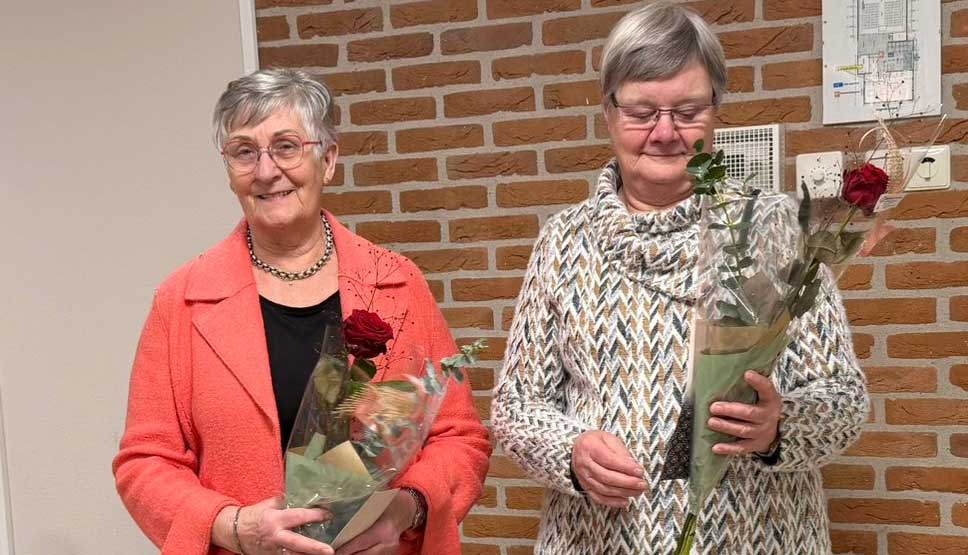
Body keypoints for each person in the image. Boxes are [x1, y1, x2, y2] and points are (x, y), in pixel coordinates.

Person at [491, 3, 869, 554]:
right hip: (599, 540)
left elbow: (845, 397)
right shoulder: (564, 241)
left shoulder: (774, 230)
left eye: (687, 111)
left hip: (755, 537)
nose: (665, 133)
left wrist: (779, 427)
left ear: (716, 110)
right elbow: (516, 405)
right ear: (608, 113)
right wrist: (569, 450)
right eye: (642, 112)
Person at [113, 69, 491, 555]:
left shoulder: (397, 283)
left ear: (328, 159)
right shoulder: (182, 300)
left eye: (286, 146)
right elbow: (143, 462)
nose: (266, 170)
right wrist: (233, 526)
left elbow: (460, 439)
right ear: (228, 169)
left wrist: (406, 510)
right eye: (244, 151)